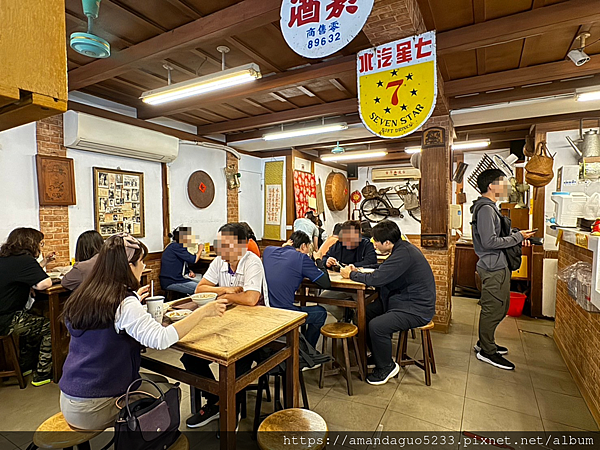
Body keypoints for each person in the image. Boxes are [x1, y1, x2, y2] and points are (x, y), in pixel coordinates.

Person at [59, 234, 226, 431]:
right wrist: (203, 311)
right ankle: (149, 442)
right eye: (141, 262)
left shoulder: (86, 293)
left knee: (159, 381)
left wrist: (134, 301)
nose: (144, 268)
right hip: (95, 404)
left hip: (71, 396)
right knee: (168, 393)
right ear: (128, 266)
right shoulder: (123, 302)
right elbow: (161, 339)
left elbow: (108, 322)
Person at [184, 223, 269, 428]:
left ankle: (232, 411)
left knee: (235, 361)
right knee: (190, 356)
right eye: (219, 244)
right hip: (225, 320)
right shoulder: (219, 262)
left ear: (241, 246)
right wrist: (227, 289)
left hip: (256, 324)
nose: (220, 249)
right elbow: (200, 288)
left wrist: (223, 295)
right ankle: (216, 401)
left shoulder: (252, 261)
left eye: (226, 245)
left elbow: (250, 299)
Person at [340, 220, 436, 385]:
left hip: (416, 309)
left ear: (387, 242)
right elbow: (383, 272)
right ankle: (378, 355)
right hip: (402, 301)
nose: (374, 244)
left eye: (376, 241)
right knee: (366, 313)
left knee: (377, 326)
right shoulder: (402, 249)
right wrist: (358, 272)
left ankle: (386, 367)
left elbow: (378, 279)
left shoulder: (404, 254)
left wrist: (351, 275)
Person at [470, 169, 535, 371]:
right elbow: (489, 241)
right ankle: (486, 351)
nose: (507, 187)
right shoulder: (485, 209)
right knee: (493, 308)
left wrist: (517, 235)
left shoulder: (490, 207)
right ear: (491, 186)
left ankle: (486, 342)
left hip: (498, 265)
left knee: (500, 306)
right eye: (503, 182)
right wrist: (518, 237)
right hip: (492, 267)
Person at [0, 228, 53, 386]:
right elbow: (44, 283)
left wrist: (44, 264)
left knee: (30, 324)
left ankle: (25, 366)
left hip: (3, 316)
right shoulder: (24, 260)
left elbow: (21, 276)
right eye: (40, 243)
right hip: (7, 320)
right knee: (49, 327)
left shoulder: (5, 257)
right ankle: (43, 373)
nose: (40, 247)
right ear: (31, 243)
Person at [263, 231, 330, 348]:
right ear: (303, 246)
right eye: (308, 249)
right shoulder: (302, 258)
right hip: (285, 314)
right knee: (320, 312)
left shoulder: (268, 251)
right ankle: (308, 352)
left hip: (264, 309)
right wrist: (318, 260)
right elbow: (325, 283)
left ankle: (301, 346)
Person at [160, 226, 202, 295]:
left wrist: (189, 271)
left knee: (204, 283)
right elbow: (194, 260)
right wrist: (200, 248)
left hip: (175, 279)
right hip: (172, 282)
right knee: (202, 288)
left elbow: (177, 264)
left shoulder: (173, 246)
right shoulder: (176, 246)